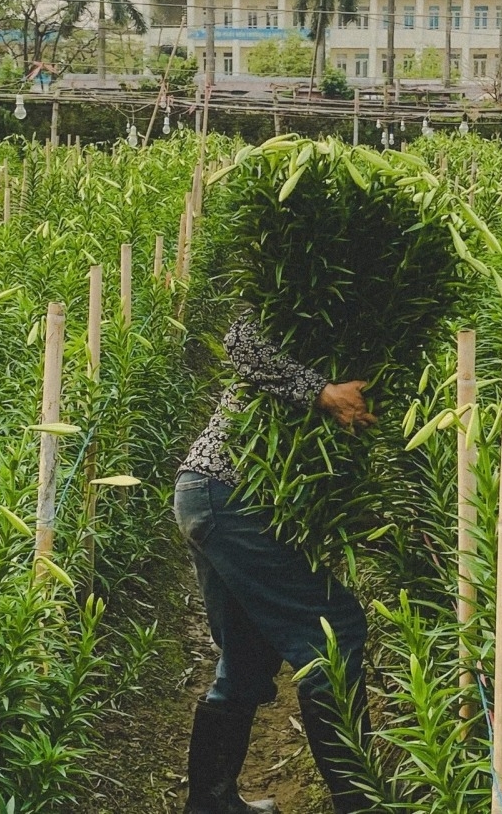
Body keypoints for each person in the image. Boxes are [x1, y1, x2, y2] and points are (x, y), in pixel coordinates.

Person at [174, 314, 378, 814]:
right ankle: (360, 803)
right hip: (231, 494)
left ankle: (212, 805)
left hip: (212, 494)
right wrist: (323, 393)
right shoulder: (310, 303)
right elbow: (241, 338)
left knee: (247, 654)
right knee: (334, 631)